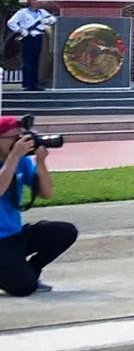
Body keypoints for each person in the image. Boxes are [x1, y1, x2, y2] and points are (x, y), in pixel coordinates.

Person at [0, 116, 75, 296]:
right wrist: (14, 156)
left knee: (65, 232)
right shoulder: (15, 158)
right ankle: (21, 277)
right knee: (23, 289)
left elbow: (46, 193)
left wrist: (40, 162)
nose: (19, 142)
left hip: (15, 235)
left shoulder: (22, 161)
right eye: (14, 138)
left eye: (21, 137)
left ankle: (30, 273)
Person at [7, 0, 55, 91]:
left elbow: (53, 19)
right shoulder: (22, 12)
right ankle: (27, 83)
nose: (36, 2)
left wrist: (47, 20)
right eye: (33, 0)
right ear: (29, 1)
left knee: (36, 60)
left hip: (38, 37)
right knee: (27, 61)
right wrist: (20, 30)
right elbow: (11, 22)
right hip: (27, 37)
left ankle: (35, 83)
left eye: (37, 0)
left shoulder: (42, 12)